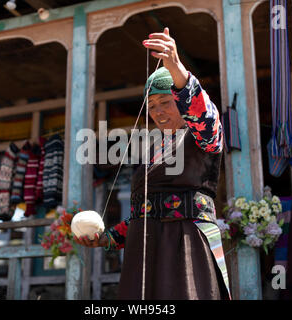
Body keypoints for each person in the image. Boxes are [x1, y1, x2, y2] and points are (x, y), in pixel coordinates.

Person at [74, 27, 230, 300]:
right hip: (145, 250)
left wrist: (175, 66)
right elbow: (145, 211)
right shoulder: (154, 150)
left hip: (185, 246)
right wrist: (107, 238)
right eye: (152, 105)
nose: (158, 112)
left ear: (181, 101)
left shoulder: (204, 135)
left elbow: (201, 112)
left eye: (166, 102)